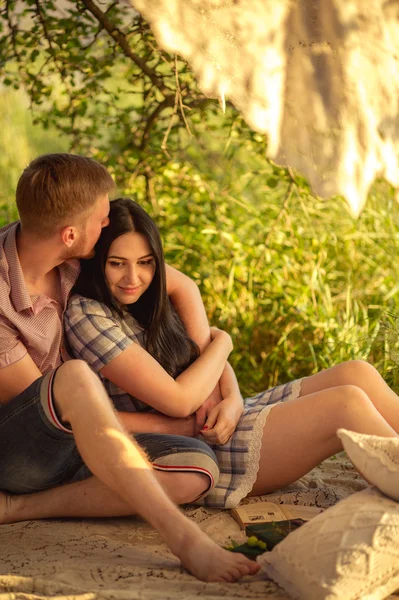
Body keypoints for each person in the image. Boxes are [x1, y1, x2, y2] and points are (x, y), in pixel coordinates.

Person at [5, 196, 399, 519]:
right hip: (206, 442)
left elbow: (198, 347)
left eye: (146, 263)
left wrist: (231, 398)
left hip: (223, 418)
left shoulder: (143, 296)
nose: (133, 278)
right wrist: (223, 341)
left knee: (358, 373)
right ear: (96, 261)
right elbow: (182, 398)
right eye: (117, 263)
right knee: (345, 403)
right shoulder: (87, 314)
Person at [0, 155, 259, 583]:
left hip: (85, 435)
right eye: (102, 220)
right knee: (76, 376)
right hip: (19, 449)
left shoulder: (73, 252)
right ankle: (186, 541)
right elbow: (57, 421)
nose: (107, 225)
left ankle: (18, 508)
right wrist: (179, 422)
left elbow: (177, 283)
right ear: (70, 233)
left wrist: (213, 386)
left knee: (197, 471)